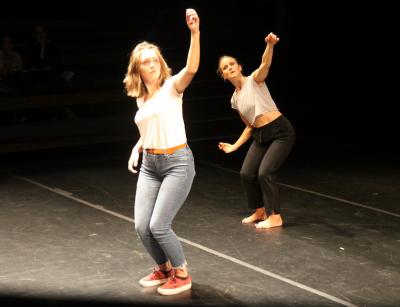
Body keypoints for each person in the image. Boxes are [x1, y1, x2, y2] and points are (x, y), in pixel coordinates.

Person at [123, 8, 200, 296]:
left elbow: (191, 69)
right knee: (142, 226)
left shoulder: (172, 87)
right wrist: (137, 146)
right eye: (146, 62)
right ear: (138, 69)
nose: (152, 64)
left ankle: (181, 272)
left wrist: (195, 32)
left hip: (177, 162)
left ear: (161, 63)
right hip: (150, 165)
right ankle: (164, 268)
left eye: (155, 60)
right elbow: (150, 126)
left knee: (159, 225)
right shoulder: (141, 98)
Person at [217, 32, 295, 229]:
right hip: (260, 135)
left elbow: (265, 65)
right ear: (224, 76)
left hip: (280, 131)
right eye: (225, 68)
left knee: (265, 173)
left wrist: (269, 46)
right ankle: (260, 211)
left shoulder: (254, 80)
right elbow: (249, 125)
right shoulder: (234, 99)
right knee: (246, 173)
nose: (229, 68)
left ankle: (275, 216)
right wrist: (234, 146)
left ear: (239, 67)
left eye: (232, 64)